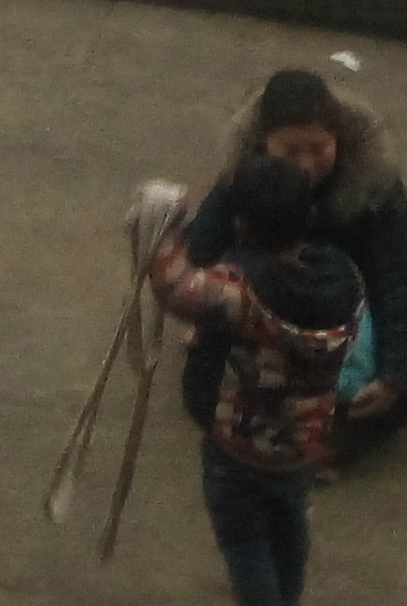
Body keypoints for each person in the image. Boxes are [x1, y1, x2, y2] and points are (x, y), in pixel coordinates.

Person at [132, 167, 362, 606]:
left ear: (240, 225)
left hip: (239, 444)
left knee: (244, 541)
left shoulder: (239, 292)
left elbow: (175, 289)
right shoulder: (344, 279)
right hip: (305, 443)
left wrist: (164, 227)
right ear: (309, 217)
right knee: (289, 525)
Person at [185, 68, 407, 432]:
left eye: (319, 149)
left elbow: (391, 279)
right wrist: (208, 309)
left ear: (339, 138)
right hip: (299, 289)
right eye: (290, 151)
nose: (306, 165)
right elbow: (204, 243)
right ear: (264, 142)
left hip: (372, 291)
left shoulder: (373, 190)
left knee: (359, 391)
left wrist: (395, 371)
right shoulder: (246, 177)